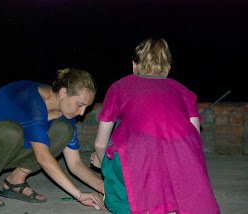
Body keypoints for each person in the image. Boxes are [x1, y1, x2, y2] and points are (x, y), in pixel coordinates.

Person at [90, 37, 220, 213]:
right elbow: (194, 139)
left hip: (138, 163)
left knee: (119, 137)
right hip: (179, 164)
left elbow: (100, 143)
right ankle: (168, 202)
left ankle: (131, 203)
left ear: (134, 65)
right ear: (168, 68)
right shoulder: (182, 90)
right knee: (168, 145)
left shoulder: (119, 87)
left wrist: (103, 162)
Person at [0, 68, 105, 210]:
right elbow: (43, 158)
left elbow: (75, 163)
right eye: (80, 105)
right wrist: (78, 195)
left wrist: (104, 187)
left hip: (6, 153)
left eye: (86, 107)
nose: (82, 113)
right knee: (12, 132)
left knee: (64, 130)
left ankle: (15, 182)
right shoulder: (31, 99)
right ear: (64, 92)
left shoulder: (65, 112)